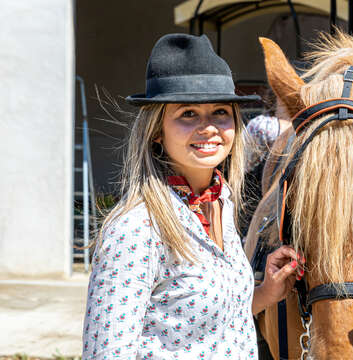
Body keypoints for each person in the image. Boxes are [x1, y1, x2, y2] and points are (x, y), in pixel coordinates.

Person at [82, 33, 304, 359]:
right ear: (157, 131)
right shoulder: (136, 228)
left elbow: (206, 322)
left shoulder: (221, 201)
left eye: (220, 112)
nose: (209, 127)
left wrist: (265, 293)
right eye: (188, 113)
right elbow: (106, 353)